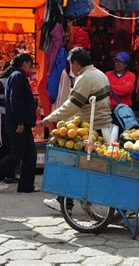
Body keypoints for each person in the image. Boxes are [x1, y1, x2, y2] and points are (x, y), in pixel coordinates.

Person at [42, 47, 113, 211]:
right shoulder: (100, 74)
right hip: (103, 127)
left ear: (76, 63)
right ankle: (67, 200)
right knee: (85, 167)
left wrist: (51, 118)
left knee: (71, 163)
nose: (70, 68)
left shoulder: (85, 78)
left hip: (91, 129)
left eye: (70, 64)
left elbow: (72, 105)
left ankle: (64, 202)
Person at [0, 53, 38, 193]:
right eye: (31, 64)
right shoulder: (18, 77)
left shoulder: (18, 77)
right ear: (24, 63)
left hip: (23, 122)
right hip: (18, 123)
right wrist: (19, 122)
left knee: (30, 154)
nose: (32, 68)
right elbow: (15, 100)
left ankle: (26, 186)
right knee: (17, 154)